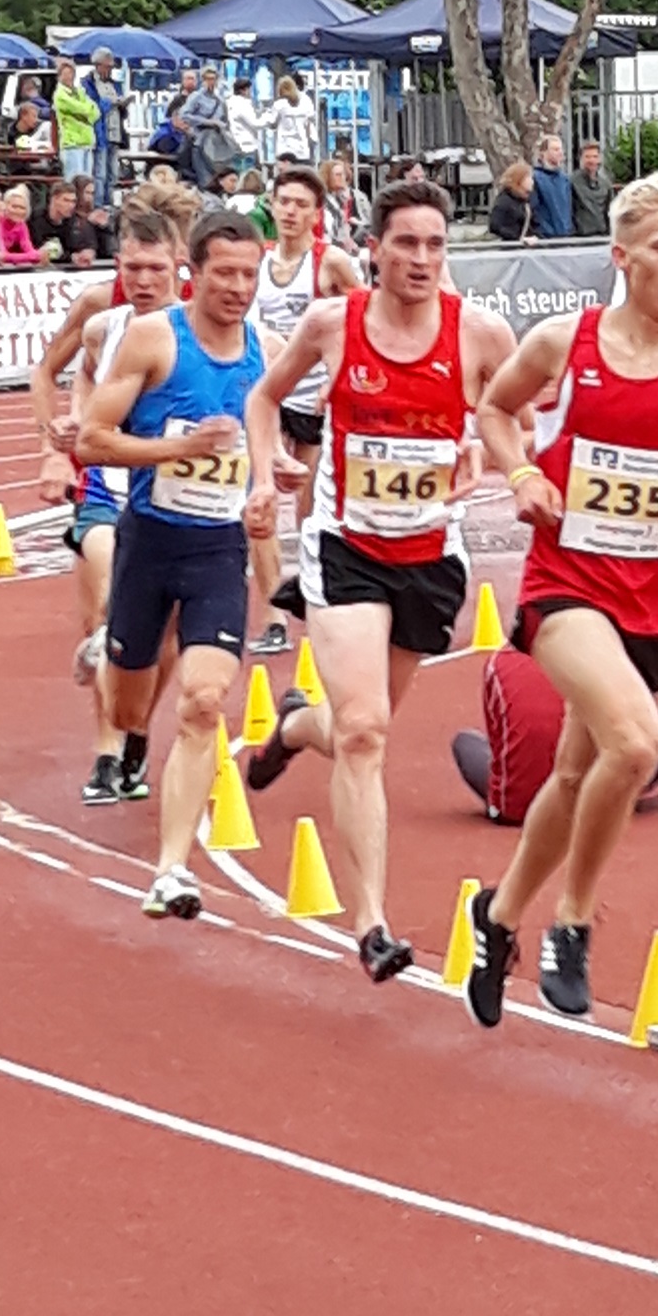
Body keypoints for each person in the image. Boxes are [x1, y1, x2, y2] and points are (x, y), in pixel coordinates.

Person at [464, 169, 658, 1027]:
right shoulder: (566, 343)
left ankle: (497, 915)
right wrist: (522, 475)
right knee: (637, 747)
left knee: (574, 775)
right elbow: (495, 411)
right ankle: (572, 924)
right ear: (622, 256)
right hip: (566, 583)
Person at [242, 177, 520, 982]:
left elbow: (519, 420)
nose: (422, 259)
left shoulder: (480, 334)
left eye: (436, 244)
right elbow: (264, 399)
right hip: (345, 547)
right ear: (374, 249)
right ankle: (370, 923)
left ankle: (298, 727)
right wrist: (266, 470)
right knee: (364, 731)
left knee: (359, 725)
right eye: (406, 243)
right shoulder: (334, 324)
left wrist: (485, 449)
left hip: (429, 556)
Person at [77, 213, 272, 920]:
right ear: (195, 271)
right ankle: (110, 646)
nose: (238, 287)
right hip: (150, 542)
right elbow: (93, 441)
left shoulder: (266, 352)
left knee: (202, 702)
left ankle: (170, 870)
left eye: (249, 274)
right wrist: (176, 451)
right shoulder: (155, 339)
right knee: (129, 710)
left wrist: (269, 485)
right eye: (225, 273)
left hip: (218, 550)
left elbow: (269, 449)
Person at [44, 210, 184, 804]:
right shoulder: (104, 328)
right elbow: (75, 379)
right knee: (105, 611)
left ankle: (136, 732)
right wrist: (63, 437)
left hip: (173, 498)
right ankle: (106, 754)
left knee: (165, 637)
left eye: (156, 269)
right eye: (132, 269)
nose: (143, 281)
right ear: (118, 265)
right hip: (107, 488)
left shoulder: (195, 332)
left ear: (179, 265)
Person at [245, 163, 363, 655]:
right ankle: (274, 615)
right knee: (260, 501)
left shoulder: (329, 262)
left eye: (301, 205)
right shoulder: (258, 261)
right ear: (272, 206)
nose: (290, 212)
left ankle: (316, 599)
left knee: (309, 509)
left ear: (317, 214)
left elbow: (362, 320)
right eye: (284, 202)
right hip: (272, 395)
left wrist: (336, 377)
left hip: (317, 401)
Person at [451, 647, 658, 826]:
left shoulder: (499, 662)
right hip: (595, 797)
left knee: (465, 742)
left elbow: (499, 742)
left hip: (517, 807)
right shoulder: (605, 658)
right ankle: (630, 790)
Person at [84, 48, 133, 208]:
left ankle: (109, 203)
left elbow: (122, 112)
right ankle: (98, 204)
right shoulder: (88, 84)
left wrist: (123, 105)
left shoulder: (115, 84)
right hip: (100, 134)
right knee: (100, 173)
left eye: (111, 67)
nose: (109, 70)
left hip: (116, 133)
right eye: (107, 66)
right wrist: (110, 103)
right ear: (98, 65)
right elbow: (91, 108)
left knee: (113, 172)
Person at [179, 67, 235, 187]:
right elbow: (184, 115)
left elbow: (226, 121)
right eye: (208, 79)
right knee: (205, 181)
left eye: (213, 79)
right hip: (200, 142)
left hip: (216, 145)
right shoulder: (196, 97)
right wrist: (207, 122)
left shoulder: (220, 100)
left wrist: (221, 126)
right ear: (203, 80)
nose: (211, 82)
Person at [52, 59, 100, 180]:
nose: (69, 77)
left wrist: (86, 112)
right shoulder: (60, 95)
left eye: (71, 73)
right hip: (72, 144)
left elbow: (96, 112)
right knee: (73, 181)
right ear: (59, 76)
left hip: (87, 142)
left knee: (87, 182)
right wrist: (87, 112)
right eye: (65, 74)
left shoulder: (80, 92)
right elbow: (81, 109)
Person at [263, 75, 317, 166]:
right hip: (302, 149)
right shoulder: (306, 101)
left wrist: (266, 115)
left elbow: (272, 124)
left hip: (284, 149)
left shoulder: (279, 104)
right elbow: (309, 123)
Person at [321, 157, 372, 249]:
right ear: (328, 177)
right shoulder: (323, 200)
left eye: (343, 174)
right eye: (338, 175)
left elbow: (369, 221)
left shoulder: (357, 197)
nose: (342, 178)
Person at [531, 134, 573, 240]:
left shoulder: (564, 179)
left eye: (561, 149)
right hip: (545, 237)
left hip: (564, 235)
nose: (560, 152)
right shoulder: (535, 178)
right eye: (555, 149)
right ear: (543, 153)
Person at [0, 187, 49, 265]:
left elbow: (29, 249)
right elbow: (2, 256)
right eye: (14, 206)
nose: (18, 211)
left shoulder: (21, 225)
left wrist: (39, 255)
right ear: (5, 206)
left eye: (22, 208)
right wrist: (35, 256)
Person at [570, 140, 612, 238]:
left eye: (595, 156)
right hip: (580, 237)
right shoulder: (572, 182)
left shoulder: (605, 184)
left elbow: (609, 211)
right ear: (581, 159)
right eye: (587, 157)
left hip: (602, 236)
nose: (591, 160)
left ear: (599, 159)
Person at [489, 162, 534, 243]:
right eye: (529, 178)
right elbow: (494, 226)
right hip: (509, 247)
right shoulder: (505, 201)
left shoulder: (525, 201)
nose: (532, 182)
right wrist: (517, 238)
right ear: (519, 180)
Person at [226, 77, 262, 171]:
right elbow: (255, 123)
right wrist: (268, 118)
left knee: (238, 172)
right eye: (249, 89)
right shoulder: (242, 104)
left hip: (235, 145)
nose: (250, 92)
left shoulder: (230, 103)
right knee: (249, 174)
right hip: (248, 146)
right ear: (243, 90)